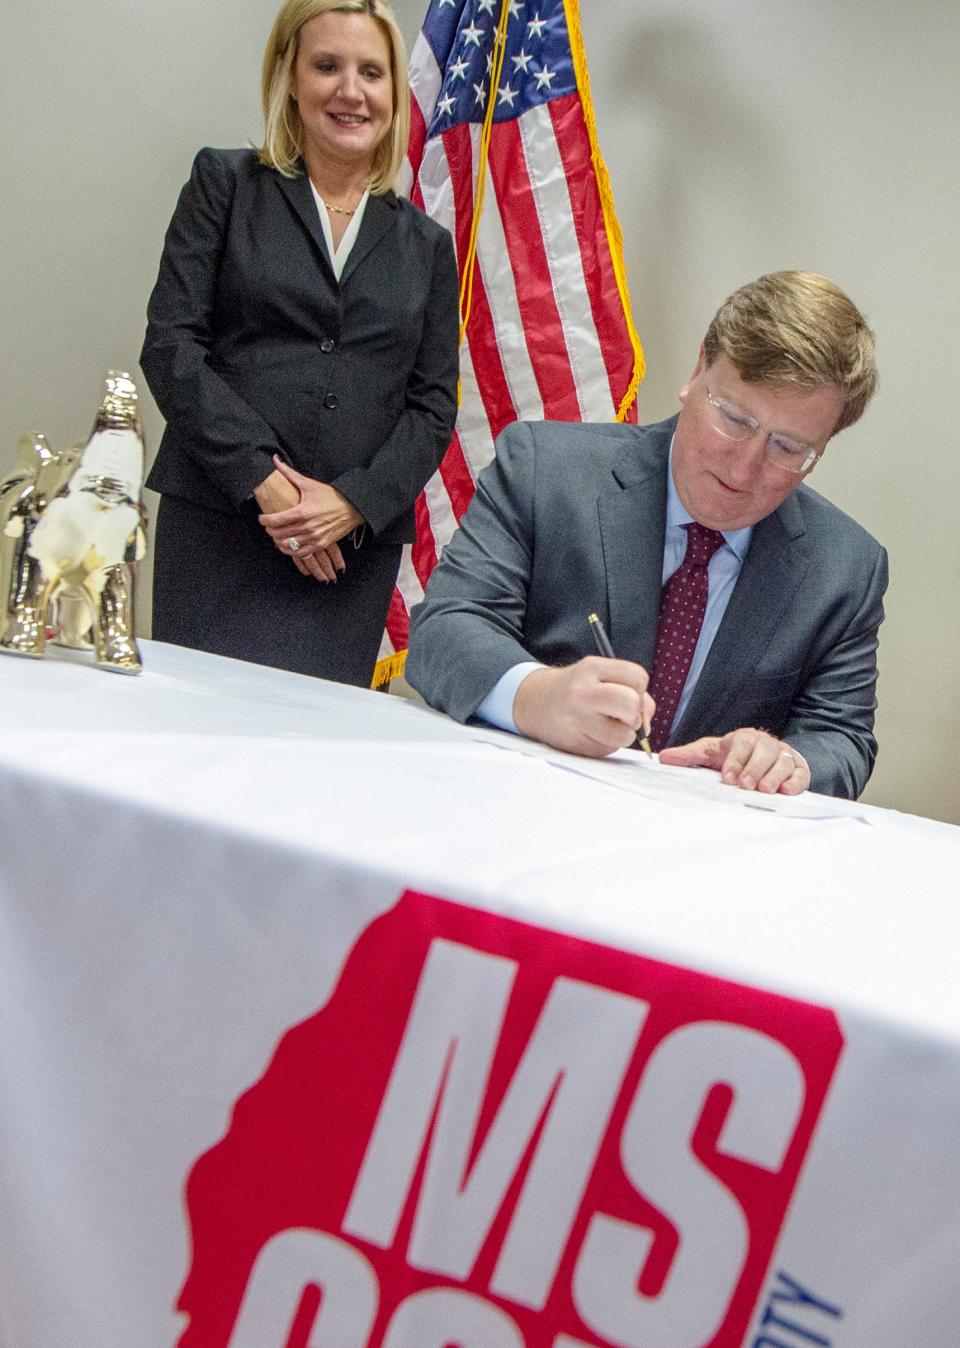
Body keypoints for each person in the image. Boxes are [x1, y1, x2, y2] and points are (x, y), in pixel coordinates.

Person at [407, 271, 886, 799]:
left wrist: (786, 761)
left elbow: (841, 738)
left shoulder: (845, 567)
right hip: (516, 811)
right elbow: (445, 630)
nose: (745, 467)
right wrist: (538, 697)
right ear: (697, 370)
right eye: (735, 419)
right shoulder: (547, 469)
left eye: (788, 448)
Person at [141, 0, 459, 686]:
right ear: (289, 74)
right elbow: (171, 347)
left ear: (393, 91)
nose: (351, 91)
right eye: (327, 66)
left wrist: (350, 505)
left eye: (371, 72)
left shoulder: (426, 246)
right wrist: (264, 483)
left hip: (347, 557)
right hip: (220, 525)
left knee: (309, 768)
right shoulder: (224, 184)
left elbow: (433, 408)